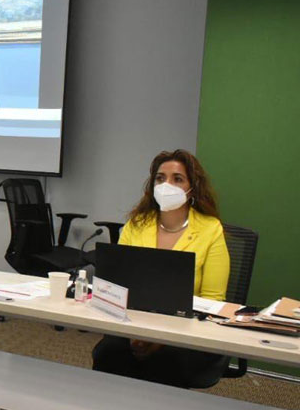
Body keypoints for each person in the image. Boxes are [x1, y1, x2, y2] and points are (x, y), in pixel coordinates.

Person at [91, 149, 231, 388]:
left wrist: (160, 340)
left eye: (177, 178)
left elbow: (213, 302)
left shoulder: (210, 229)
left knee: (167, 361)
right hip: (133, 325)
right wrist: (138, 334)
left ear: (192, 187)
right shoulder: (136, 225)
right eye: (160, 178)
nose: (167, 184)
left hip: (187, 333)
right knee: (108, 353)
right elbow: (114, 287)